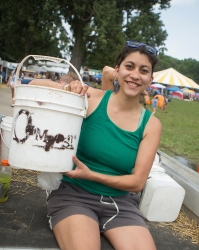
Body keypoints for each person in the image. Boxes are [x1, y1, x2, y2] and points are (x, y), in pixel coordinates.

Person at [28, 41, 161, 250]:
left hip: (121, 204)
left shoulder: (151, 125)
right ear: (117, 71)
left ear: (150, 80)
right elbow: (33, 86)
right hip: (74, 195)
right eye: (129, 67)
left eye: (143, 71)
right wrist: (67, 88)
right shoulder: (91, 98)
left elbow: (137, 183)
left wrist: (91, 175)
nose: (135, 75)